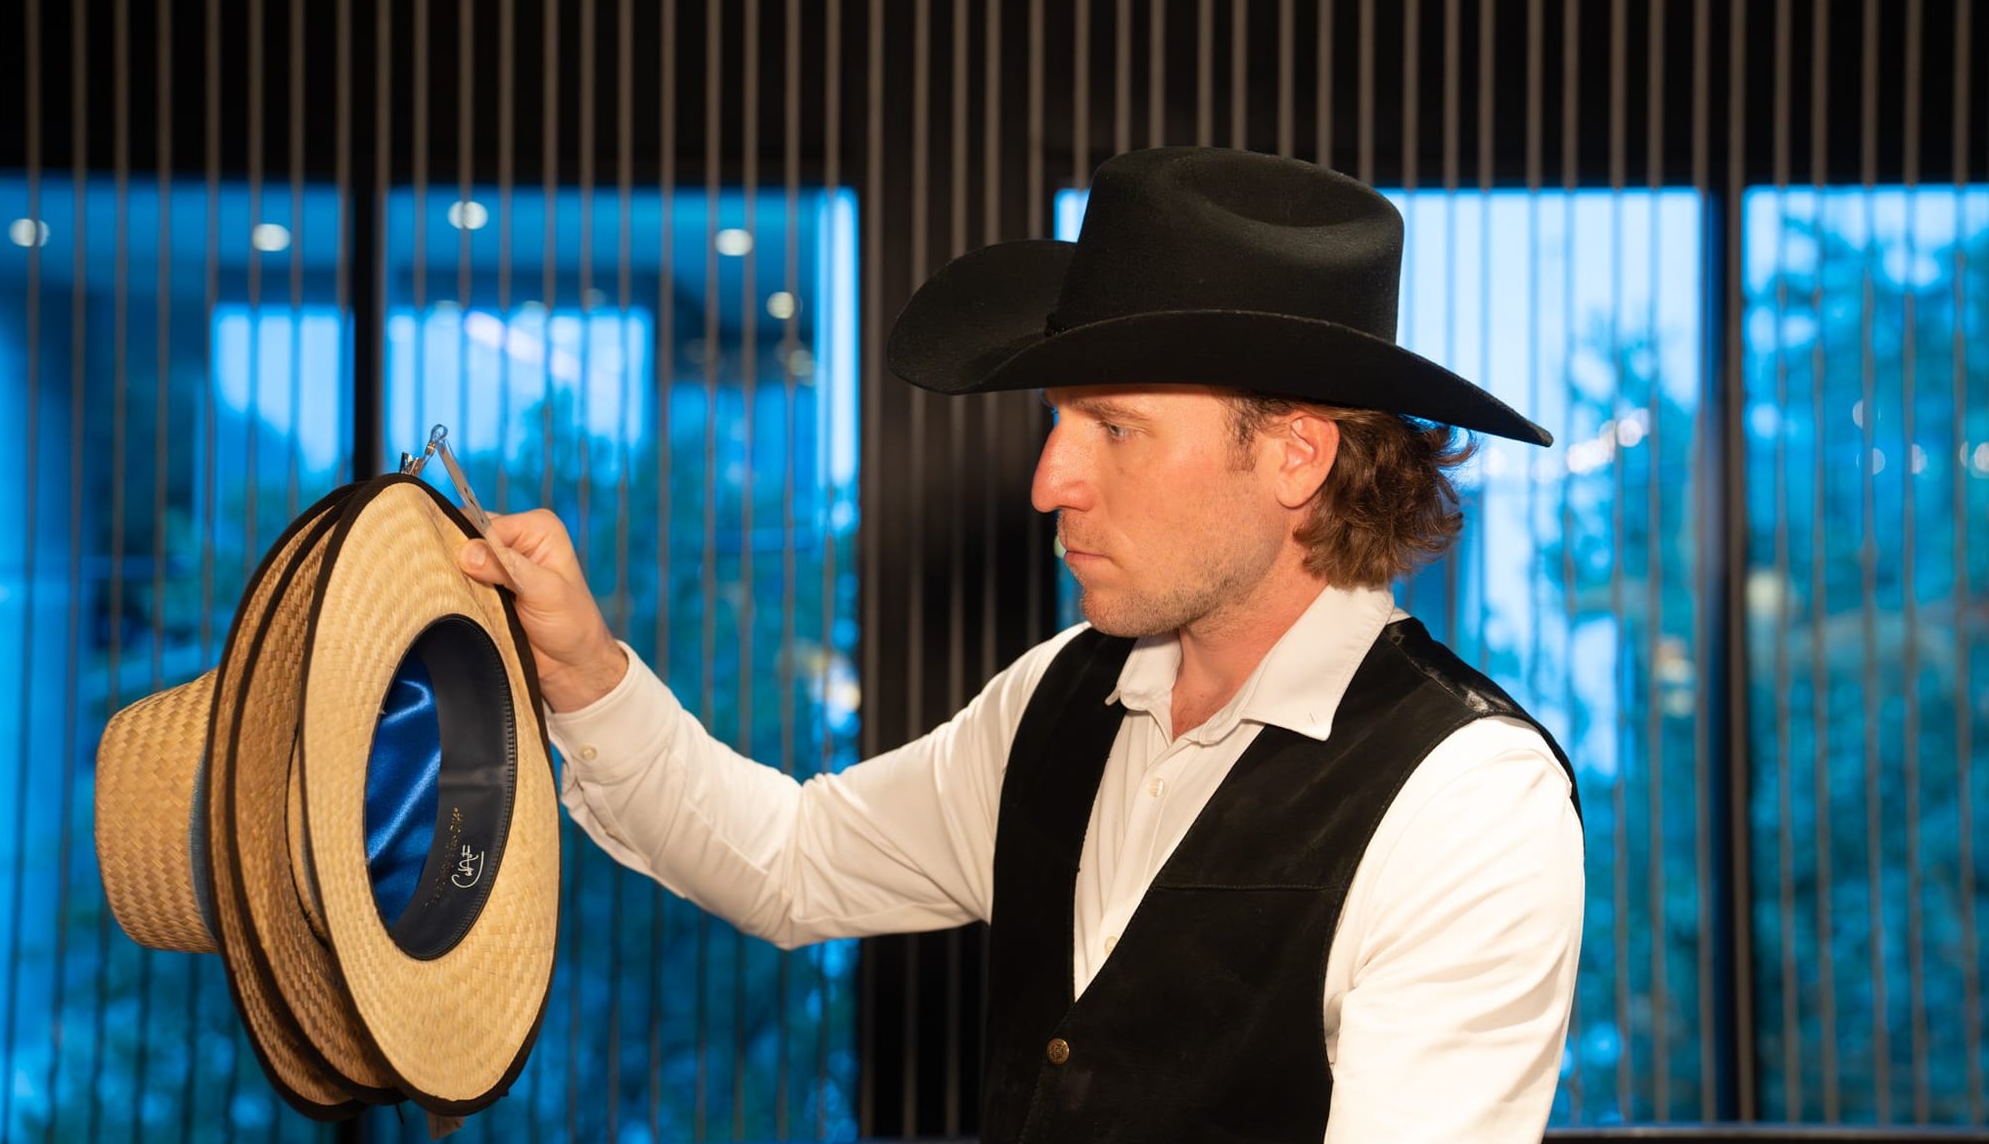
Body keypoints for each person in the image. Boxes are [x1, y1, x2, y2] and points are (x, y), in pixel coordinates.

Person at [455, 147, 1585, 1142]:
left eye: (1113, 427)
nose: (1050, 478)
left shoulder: (1466, 802)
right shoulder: (1058, 697)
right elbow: (791, 858)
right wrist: (584, 670)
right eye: (1059, 421)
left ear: (1293, 456)